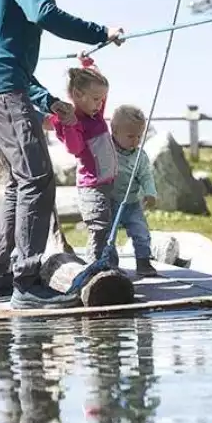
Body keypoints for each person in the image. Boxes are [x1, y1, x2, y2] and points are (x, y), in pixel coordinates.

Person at [0, 0, 124, 310]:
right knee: (37, 178)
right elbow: (44, 13)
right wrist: (99, 32)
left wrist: (47, 101)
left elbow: (6, 50)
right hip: (1, 87)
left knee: (22, 182)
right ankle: (28, 281)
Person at [48, 60, 120, 269]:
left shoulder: (95, 114)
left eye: (102, 99)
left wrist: (88, 64)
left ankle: (110, 266)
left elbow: (97, 89)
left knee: (109, 228)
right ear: (79, 96)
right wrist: (69, 126)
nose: (101, 104)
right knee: (99, 228)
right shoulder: (74, 122)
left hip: (108, 182)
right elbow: (74, 149)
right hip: (92, 186)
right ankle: (95, 266)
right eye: (97, 99)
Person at [109, 104, 158, 277]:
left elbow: (146, 176)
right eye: (130, 136)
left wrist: (150, 193)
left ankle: (143, 262)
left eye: (139, 136)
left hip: (132, 203)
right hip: (110, 202)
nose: (136, 140)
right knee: (108, 235)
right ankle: (110, 264)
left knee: (141, 232)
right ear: (114, 131)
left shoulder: (140, 156)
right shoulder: (107, 150)